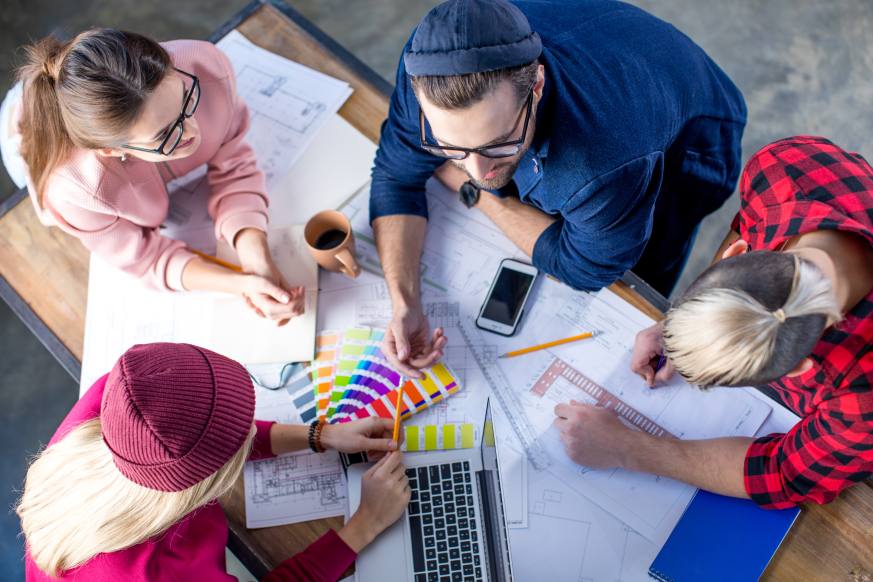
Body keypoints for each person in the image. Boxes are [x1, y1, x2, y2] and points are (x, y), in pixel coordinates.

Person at [368, 0, 746, 378]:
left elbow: (587, 268)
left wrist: (482, 198)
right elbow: (395, 175)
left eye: (498, 143)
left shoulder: (604, 161)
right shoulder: (429, 71)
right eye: (450, 147)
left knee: (643, 275)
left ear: (536, 85)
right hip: (598, 46)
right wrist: (404, 301)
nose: (475, 170)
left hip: (690, 136)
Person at [556, 136, 873, 508]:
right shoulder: (784, 168)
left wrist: (627, 449)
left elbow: (783, 474)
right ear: (736, 254)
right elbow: (746, 224)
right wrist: (676, 324)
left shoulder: (862, 406)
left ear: (798, 370)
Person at [17, 342, 410, 581]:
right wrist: (365, 525)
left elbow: (203, 434)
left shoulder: (119, 396)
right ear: (203, 482)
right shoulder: (162, 574)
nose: (247, 434)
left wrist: (319, 435)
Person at [1, 28, 302, 322]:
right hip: (27, 131)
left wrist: (254, 253)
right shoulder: (76, 189)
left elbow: (234, 160)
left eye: (186, 98)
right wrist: (240, 285)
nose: (193, 130)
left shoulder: (203, 64)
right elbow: (145, 260)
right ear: (110, 150)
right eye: (165, 133)